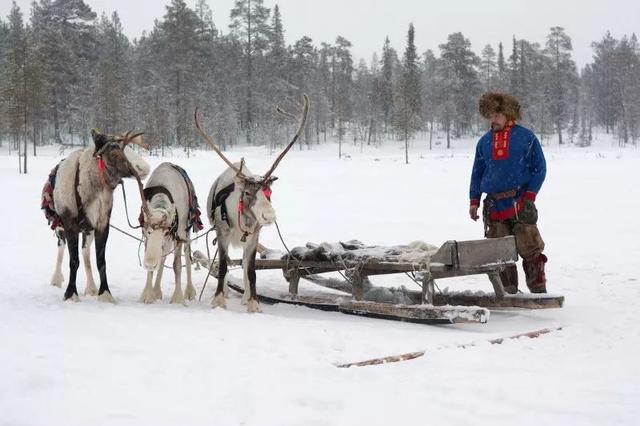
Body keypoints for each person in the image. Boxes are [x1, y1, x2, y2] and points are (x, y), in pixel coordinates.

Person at [469, 92, 548, 294]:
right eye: (489, 116)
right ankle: (508, 294)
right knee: (500, 253)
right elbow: (477, 173)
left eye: (496, 115)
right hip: (494, 205)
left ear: (507, 113)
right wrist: (474, 200)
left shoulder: (526, 137)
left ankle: (539, 292)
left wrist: (530, 196)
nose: (492, 120)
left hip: (520, 202)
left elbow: (540, 168)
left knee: (530, 249)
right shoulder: (484, 142)